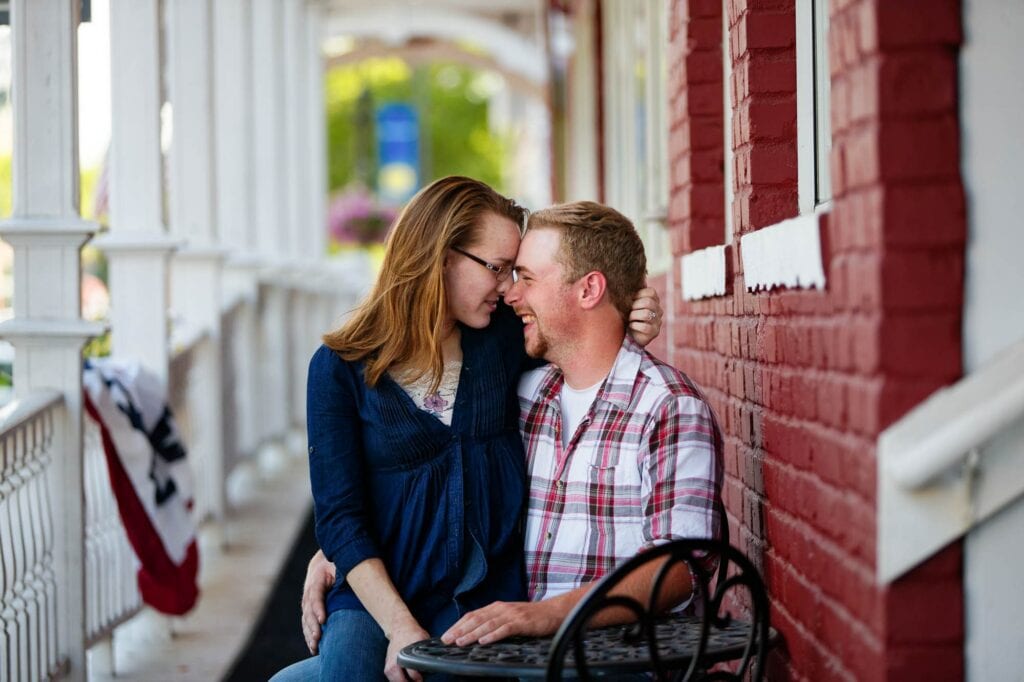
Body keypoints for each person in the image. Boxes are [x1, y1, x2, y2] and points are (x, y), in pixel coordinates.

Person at [270, 179, 663, 682]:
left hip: (479, 599)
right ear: (440, 256)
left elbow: (577, 331)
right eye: (498, 268)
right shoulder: (338, 368)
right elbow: (340, 517)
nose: (508, 288)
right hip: (375, 601)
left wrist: (632, 313)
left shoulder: (501, 342)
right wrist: (399, 628)